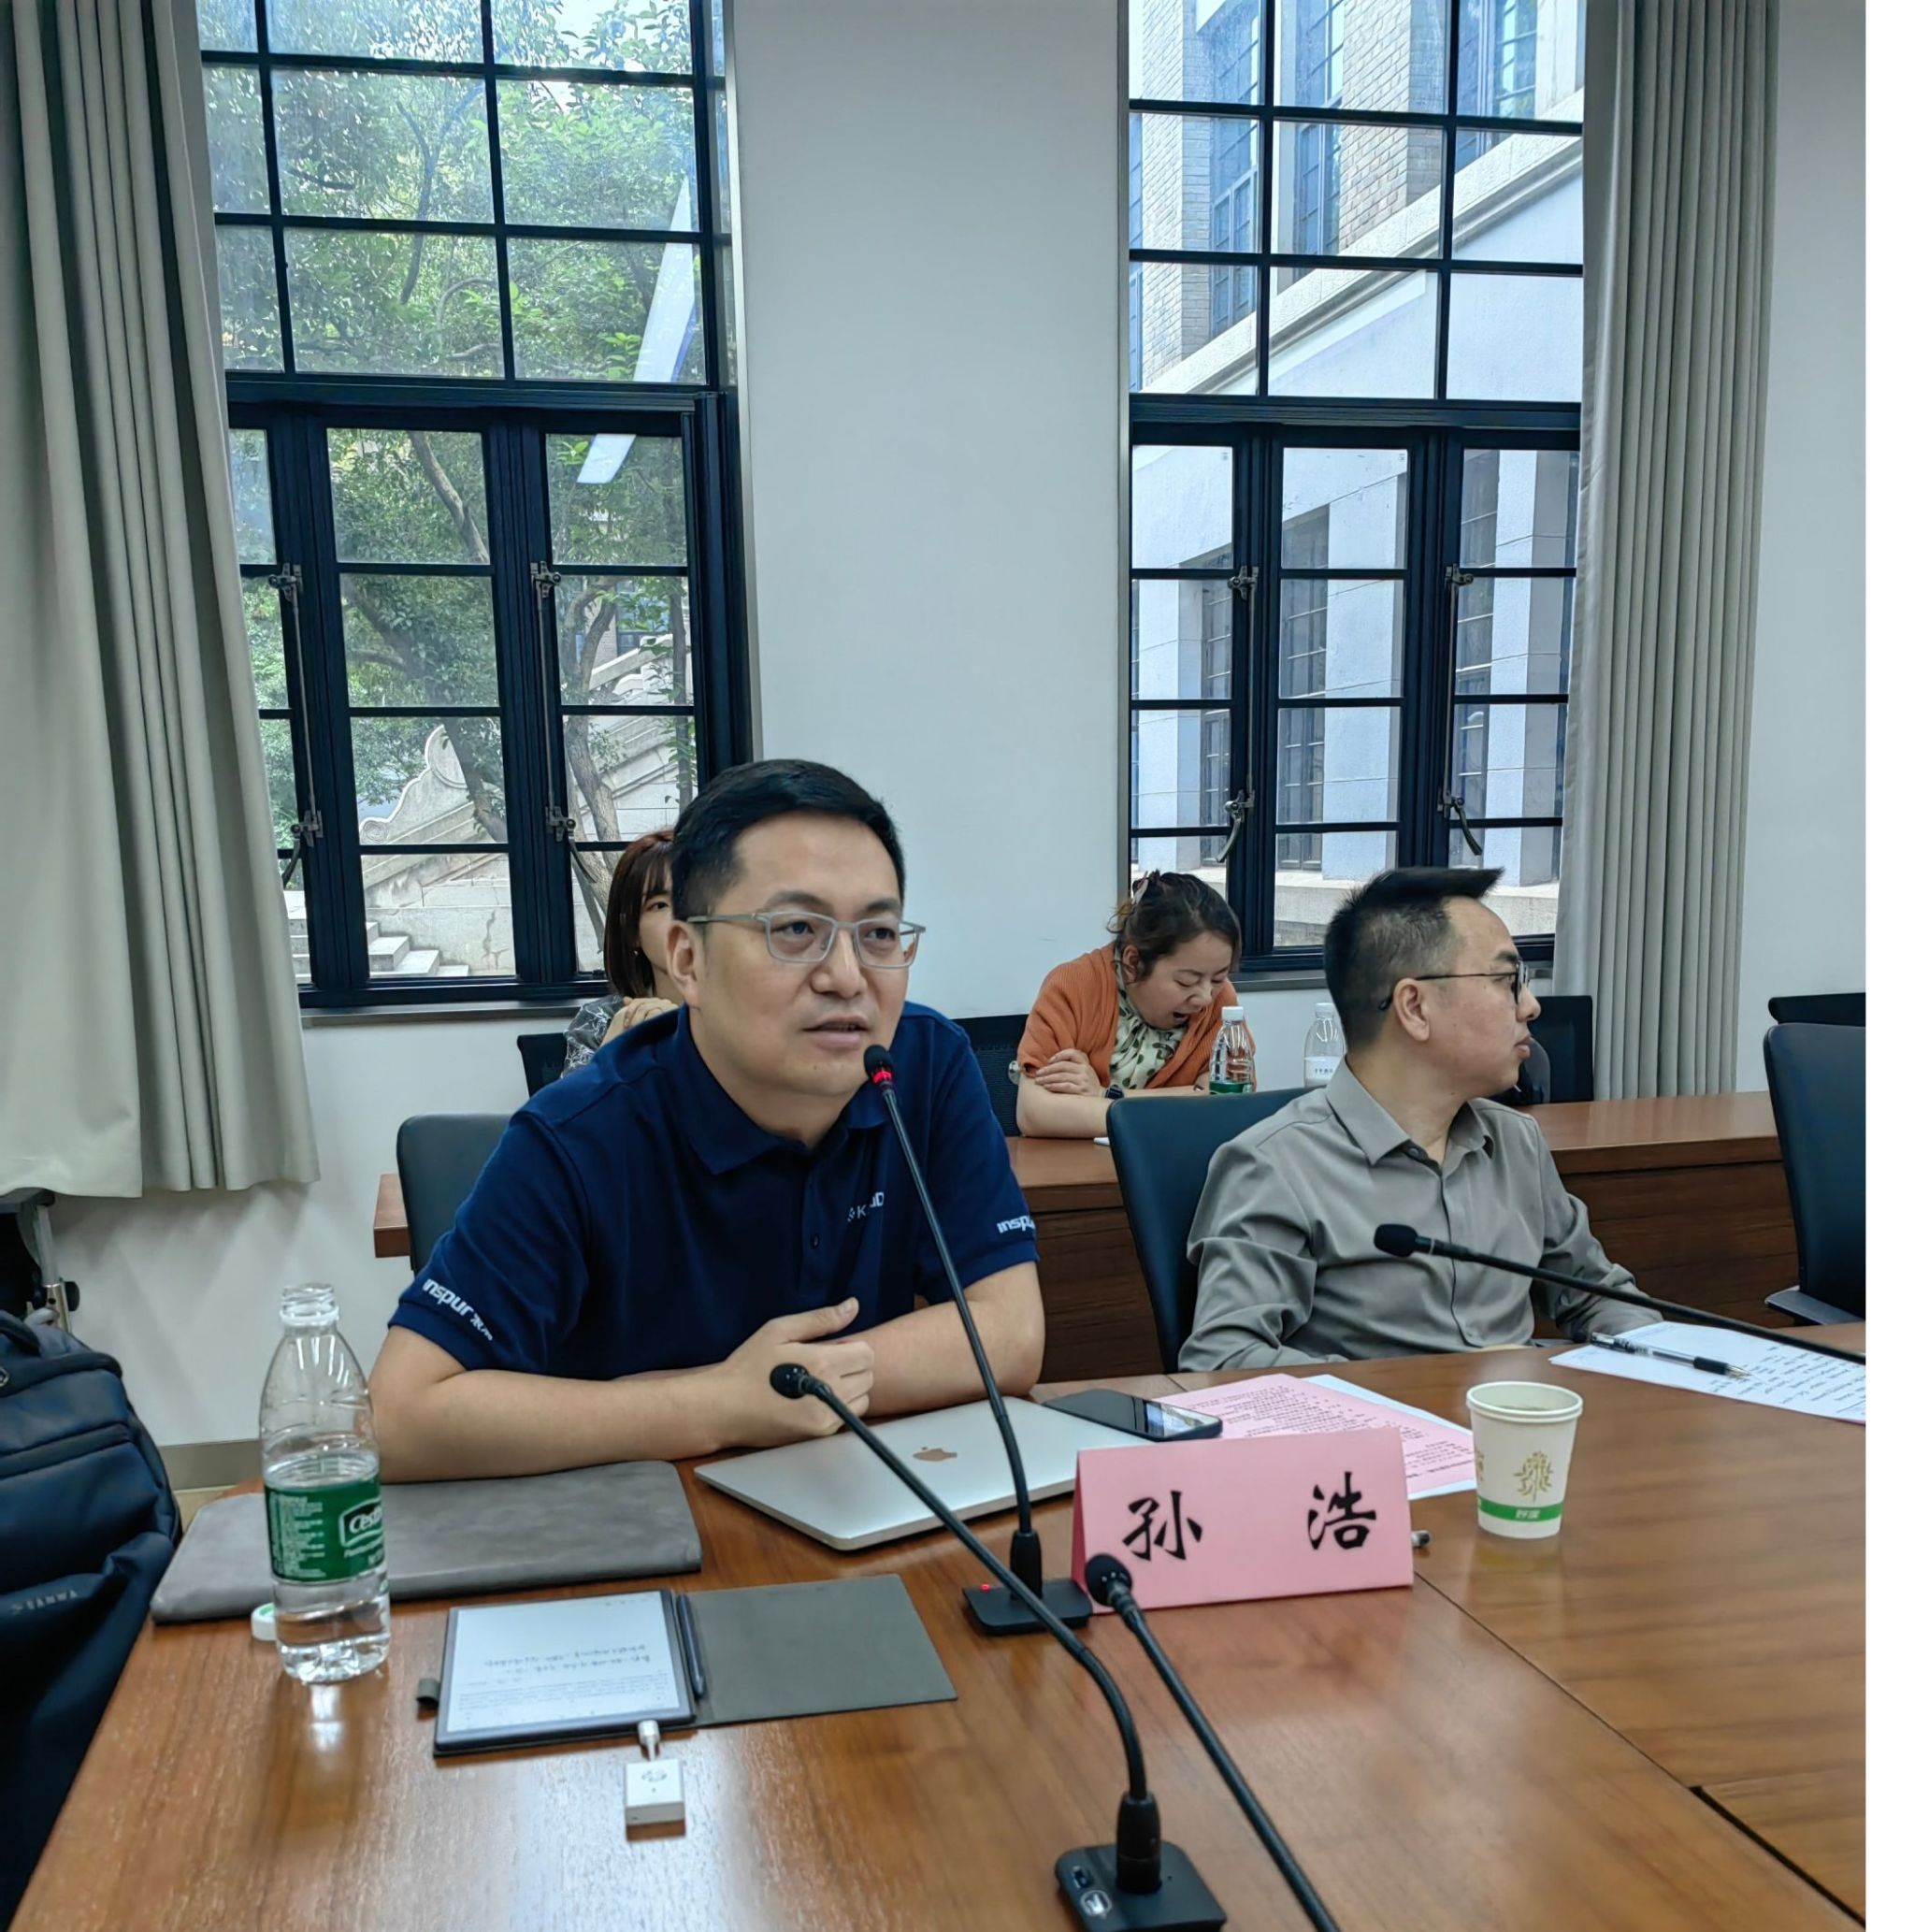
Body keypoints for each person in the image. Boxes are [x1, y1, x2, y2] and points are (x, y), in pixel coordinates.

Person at [368, 759, 1045, 1480]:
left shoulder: (924, 1064)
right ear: (687, 961)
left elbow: (1011, 1333)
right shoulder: (577, 1134)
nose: (847, 977)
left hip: (848, 1494)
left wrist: (795, 1384)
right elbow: (396, 1418)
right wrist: (719, 1403)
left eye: (878, 934)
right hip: (645, 1516)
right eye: (796, 929)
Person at [1180, 867, 1656, 1369]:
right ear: (1414, 1007)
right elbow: (1224, 1359)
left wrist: (1661, 1354)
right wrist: (1403, 1398)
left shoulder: (1516, 1141)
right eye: (1507, 981)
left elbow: (1597, 1295)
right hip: (1380, 1419)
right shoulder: (1276, 1166)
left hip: (1517, 1414)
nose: (1531, 1006)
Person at [1014, 872, 1247, 1139]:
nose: (1205, 997)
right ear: (1133, 962)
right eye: (1186, 982)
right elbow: (1035, 1112)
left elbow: (1230, 1102)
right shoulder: (1073, 986)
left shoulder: (1220, 1000)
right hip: (1081, 1162)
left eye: (1218, 978)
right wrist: (1187, 1103)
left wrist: (1106, 1095)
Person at [563, 831, 682, 1074]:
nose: (683, 919)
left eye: (696, 899)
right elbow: (571, 1099)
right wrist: (613, 1052)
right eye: (660, 905)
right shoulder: (600, 1021)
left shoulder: (746, 1016)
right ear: (632, 931)